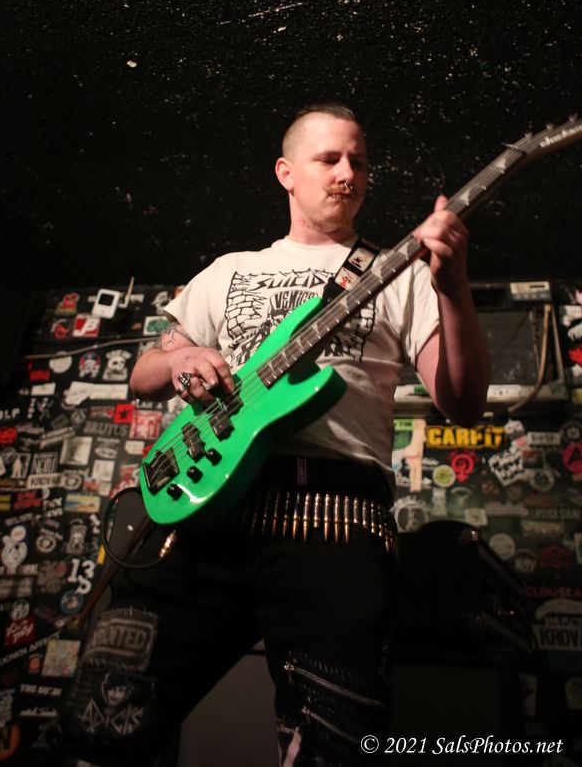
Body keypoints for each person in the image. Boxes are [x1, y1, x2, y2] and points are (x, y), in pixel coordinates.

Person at [47, 103, 490, 767]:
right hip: (203, 510)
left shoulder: (399, 274)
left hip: (335, 518)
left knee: (335, 742)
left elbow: (464, 402)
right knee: (102, 718)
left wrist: (452, 289)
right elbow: (144, 374)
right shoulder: (229, 270)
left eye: (359, 161)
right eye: (328, 158)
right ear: (286, 172)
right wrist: (184, 357)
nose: (348, 173)